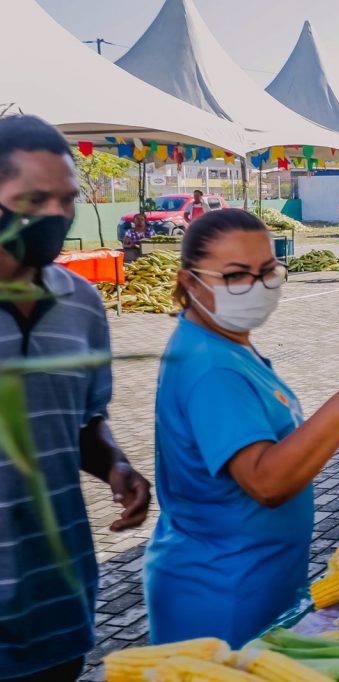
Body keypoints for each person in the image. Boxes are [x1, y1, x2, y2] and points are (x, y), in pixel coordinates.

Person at [144, 208, 339, 647]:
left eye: (267, 271)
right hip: (222, 596)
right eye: (235, 275)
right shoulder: (212, 367)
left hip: (258, 582)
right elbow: (266, 482)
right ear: (190, 282)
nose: (257, 286)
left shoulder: (228, 346)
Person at [0, 115, 152, 681]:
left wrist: (116, 466)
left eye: (66, 201)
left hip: (57, 606)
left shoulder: (82, 304)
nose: (55, 216)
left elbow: (86, 420)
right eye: (33, 200)